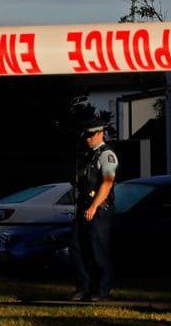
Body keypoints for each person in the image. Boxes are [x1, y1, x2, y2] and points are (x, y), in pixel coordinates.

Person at [70, 122, 117, 301]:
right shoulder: (87, 156)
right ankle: (84, 287)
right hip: (84, 207)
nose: (88, 139)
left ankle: (102, 289)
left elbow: (107, 182)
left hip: (98, 209)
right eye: (86, 136)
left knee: (98, 250)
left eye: (91, 135)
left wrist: (94, 206)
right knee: (77, 247)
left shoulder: (106, 155)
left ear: (100, 133)